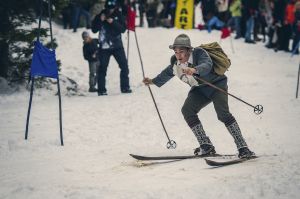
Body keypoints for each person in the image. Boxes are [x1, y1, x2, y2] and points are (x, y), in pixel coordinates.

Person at [142, 34, 255, 158]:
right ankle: (206, 145)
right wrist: (152, 81)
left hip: (216, 86)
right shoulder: (176, 63)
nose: (178, 55)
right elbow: (167, 73)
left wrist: (195, 70)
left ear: (189, 50)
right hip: (199, 90)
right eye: (176, 52)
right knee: (187, 110)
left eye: (181, 52)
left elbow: (207, 65)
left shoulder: (199, 53)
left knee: (223, 114)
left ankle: (243, 147)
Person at [91, 0, 131, 95]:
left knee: (124, 66)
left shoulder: (119, 14)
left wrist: (113, 22)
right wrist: (100, 20)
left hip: (117, 46)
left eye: (112, 8)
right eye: (109, 8)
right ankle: (101, 90)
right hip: (104, 47)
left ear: (115, 7)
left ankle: (125, 87)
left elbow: (123, 29)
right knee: (102, 68)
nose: (111, 10)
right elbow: (94, 30)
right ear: (106, 7)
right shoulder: (101, 15)